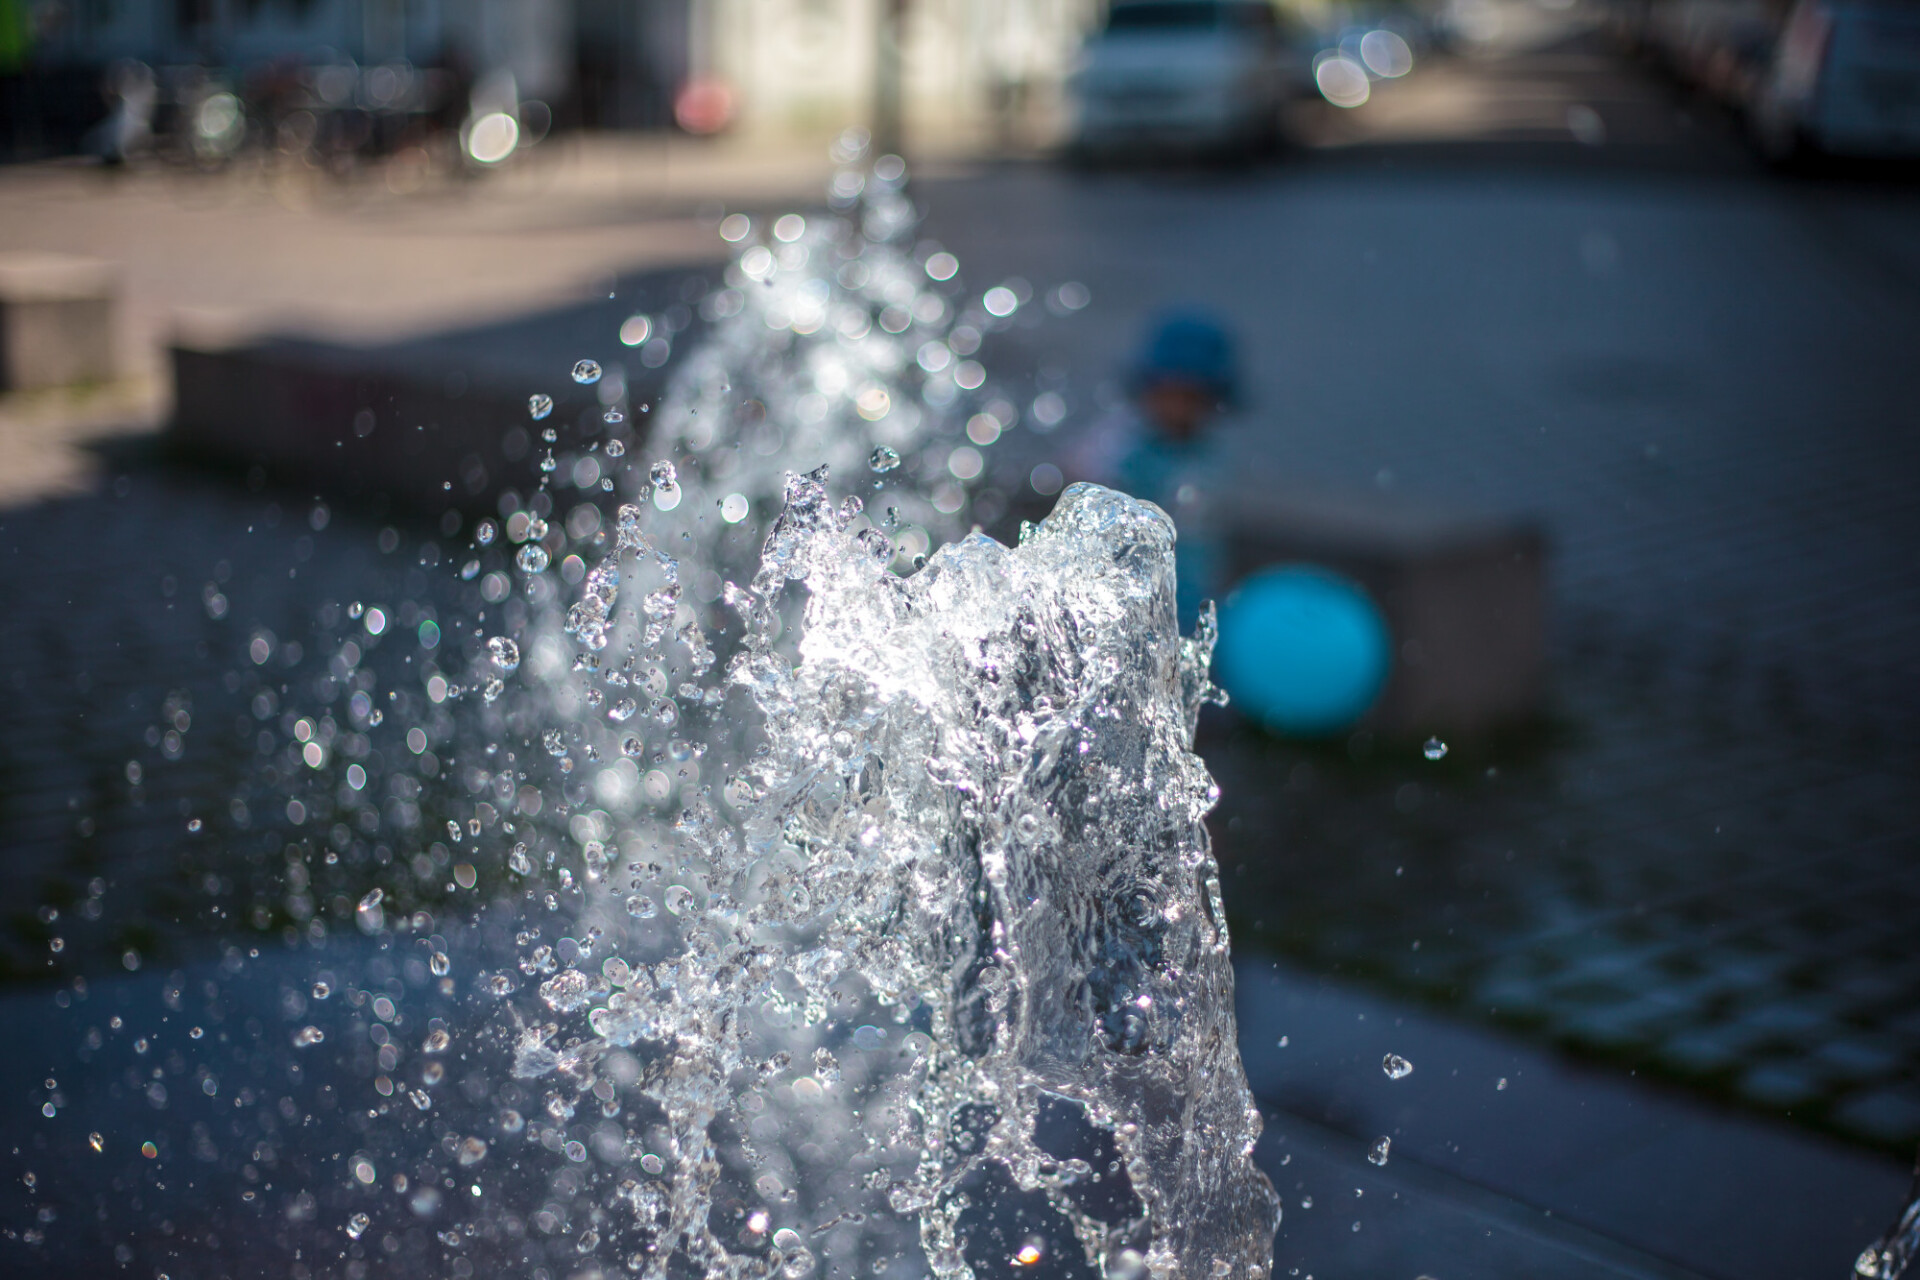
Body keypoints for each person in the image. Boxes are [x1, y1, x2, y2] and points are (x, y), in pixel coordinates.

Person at [1069, 309, 1238, 632]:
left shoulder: (1209, 454)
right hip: (1125, 608)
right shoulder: (1118, 447)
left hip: (1188, 604)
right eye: (1172, 393)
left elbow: (1210, 542)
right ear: (1148, 388)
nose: (1181, 406)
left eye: (1194, 397)